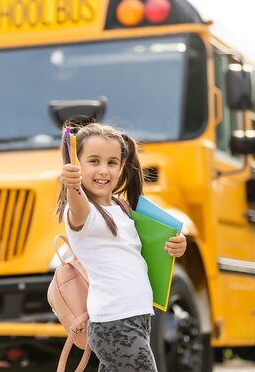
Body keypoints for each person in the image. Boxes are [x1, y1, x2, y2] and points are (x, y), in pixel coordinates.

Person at [56, 122, 187, 372]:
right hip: (114, 324)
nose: (103, 170)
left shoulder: (123, 209)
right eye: (93, 161)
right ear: (77, 163)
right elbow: (76, 202)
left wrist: (178, 244)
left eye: (112, 162)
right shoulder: (84, 213)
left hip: (137, 319)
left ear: (122, 166)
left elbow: (148, 250)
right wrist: (72, 184)